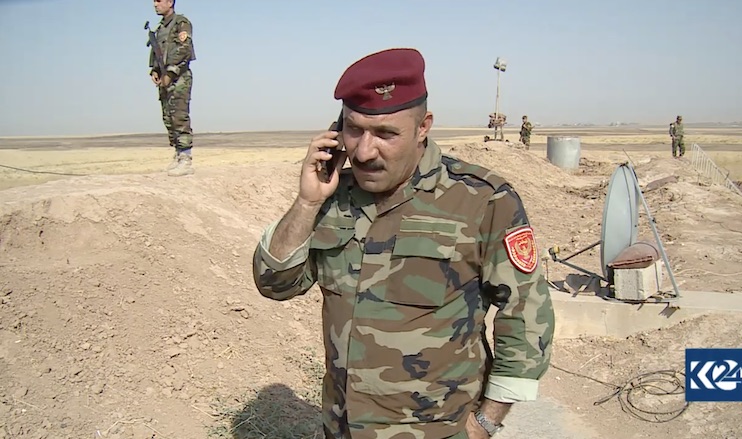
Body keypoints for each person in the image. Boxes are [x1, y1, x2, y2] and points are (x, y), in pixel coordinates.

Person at [252, 48, 555, 439]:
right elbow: (273, 284)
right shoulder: (332, 198)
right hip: (341, 428)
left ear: (423, 127)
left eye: (385, 134)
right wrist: (308, 201)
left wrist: (485, 423)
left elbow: (526, 313)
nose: (364, 151)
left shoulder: (483, 200)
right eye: (353, 129)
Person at [148, 0, 196, 177]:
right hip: (164, 79)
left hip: (179, 78)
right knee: (168, 117)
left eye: (159, 1)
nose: (155, 4)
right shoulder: (160, 29)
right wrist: (155, 69)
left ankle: (185, 158)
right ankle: (177, 153)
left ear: (170, 2)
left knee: (179, 115)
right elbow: (157, 52)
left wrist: (170, 73)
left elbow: (185, 50)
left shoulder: (181, 23)